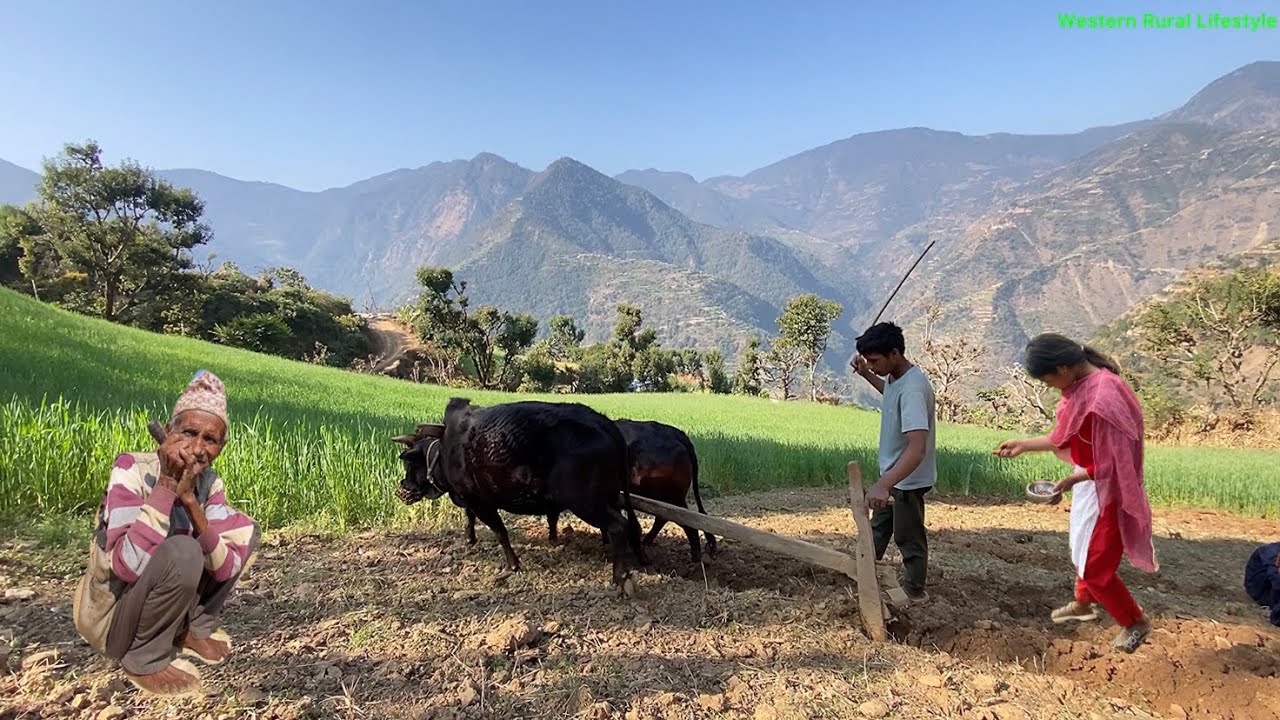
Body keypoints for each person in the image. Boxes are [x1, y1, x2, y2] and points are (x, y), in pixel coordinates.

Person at [73, 369, 260, 695]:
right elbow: (126, 566)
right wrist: (167, 485)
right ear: (169, 430)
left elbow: (226, 566)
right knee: (183, 551)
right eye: (189, 432)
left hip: (161, 601)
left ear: (222, 446)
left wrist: (188, 499)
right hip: (116, 617)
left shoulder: (208, 483)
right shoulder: (132, 468)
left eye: (211, 439)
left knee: (243, 531)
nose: (198, 448)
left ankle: (192, 628)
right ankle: (143, 658)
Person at [994, 333, 1156, 654]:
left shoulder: (1104, 396)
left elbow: (1115, 463)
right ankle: (1083, 603)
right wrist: (1025, 445)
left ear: (1064, 368)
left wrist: (1073, 480)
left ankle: (1133, 621)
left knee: (1096, 566)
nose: (1051, 386)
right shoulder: (1082, 386)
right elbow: (1066, 437)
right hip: (1090, 481)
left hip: (1108, 490)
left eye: (1048, 379)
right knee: (1081, 547)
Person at [851, 321, 937, 602]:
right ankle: (863, 574)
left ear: (895, 353)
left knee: (908, 536)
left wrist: (883, 485)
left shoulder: (913, 389)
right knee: (877, 530)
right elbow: (890, 394)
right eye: (867, 361)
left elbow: (917, 449)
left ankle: (914, 592)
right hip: (893, 476)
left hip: (907, 479)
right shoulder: (896, 379)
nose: (872, 365)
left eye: (874, 361)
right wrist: (867, 375)